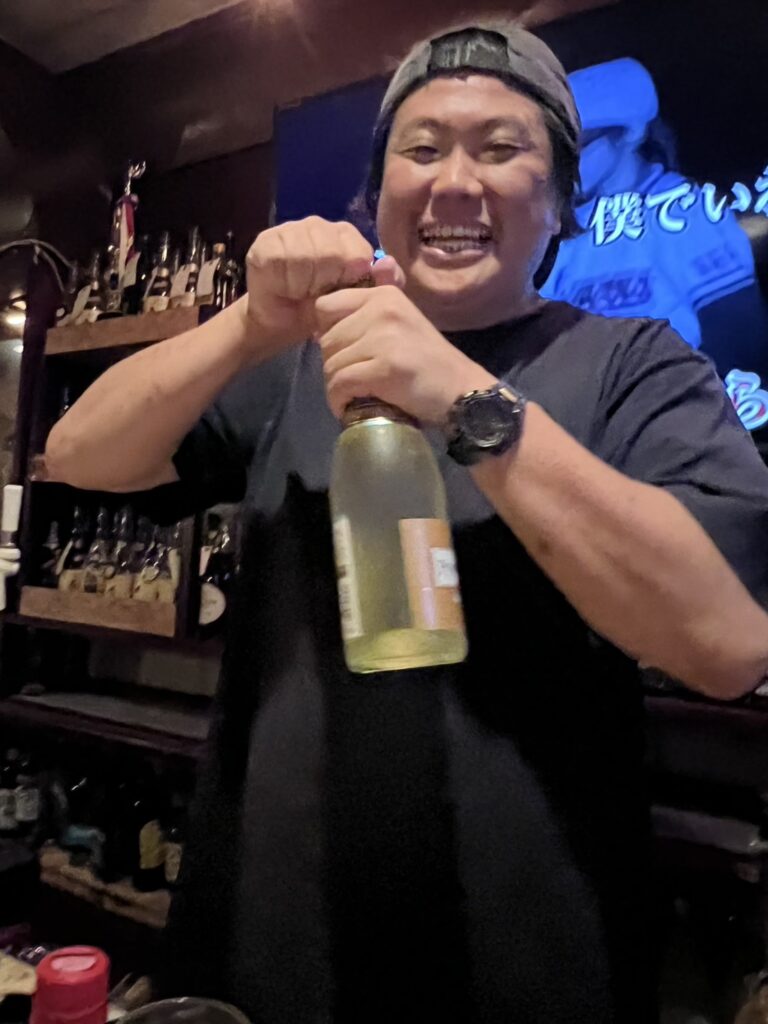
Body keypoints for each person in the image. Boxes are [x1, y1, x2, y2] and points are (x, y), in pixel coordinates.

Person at [45, 21, 768, 1024]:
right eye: (421, 150)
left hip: (534, 958)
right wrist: (250, 324)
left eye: (501, 148)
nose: (455, 183)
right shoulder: (298, 360)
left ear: (560, 199)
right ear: (378, 194)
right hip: (265, 937)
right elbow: (81, 454)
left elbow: (727, 644)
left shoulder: (636, 364)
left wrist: (466, 399)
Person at [542, 57, 768, 380]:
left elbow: (737, 334)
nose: (565, 163)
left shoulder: (683, 212)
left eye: (579, 146)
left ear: (629, 133)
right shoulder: (563, 225)